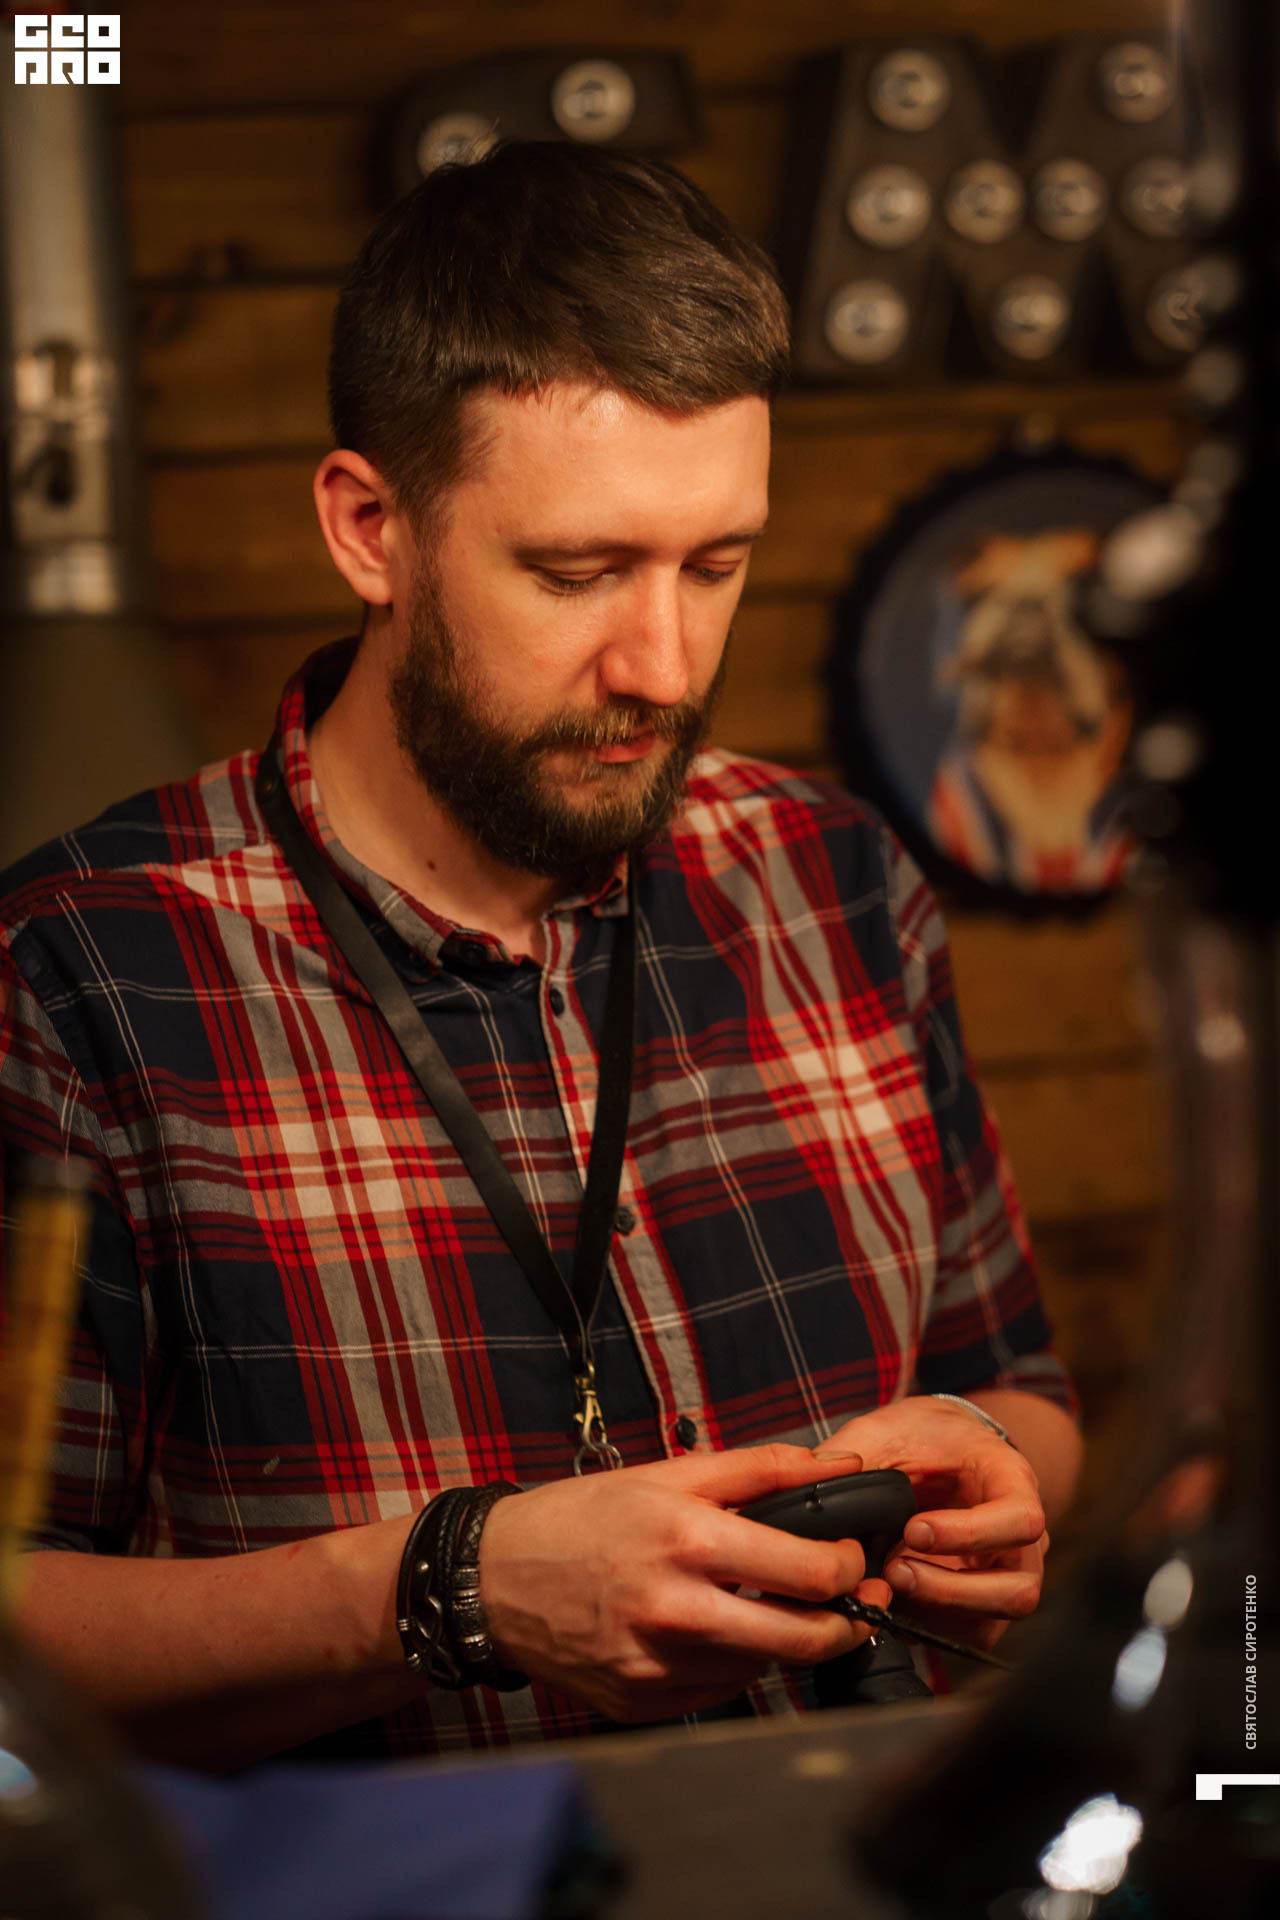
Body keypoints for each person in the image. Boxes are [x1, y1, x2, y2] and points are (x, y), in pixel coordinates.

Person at [0, 142, 1080, 1771]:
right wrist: (448, 1590)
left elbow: (1022, 1387)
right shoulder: (76, 976)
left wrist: (993, 1469)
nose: (664, 667)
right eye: (577, 573)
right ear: (372, 528)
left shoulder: (836, 878)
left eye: (715, 566)